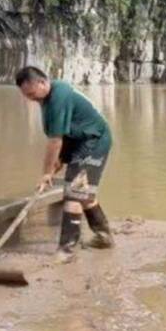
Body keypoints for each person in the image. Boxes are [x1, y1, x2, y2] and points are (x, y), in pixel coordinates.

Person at [15, 66, 114, 261]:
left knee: (74, 193)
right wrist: (58, 162)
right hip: (77, 141)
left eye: (32, 93)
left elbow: (55, 140)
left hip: (94, 140)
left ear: (43, 83)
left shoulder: (59, 95)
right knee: (83, 192)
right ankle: (104, 237)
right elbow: (63, 135)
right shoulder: (46, 99)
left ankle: (66, 250)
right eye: (27, 96)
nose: (31, 98)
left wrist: (46, 173)